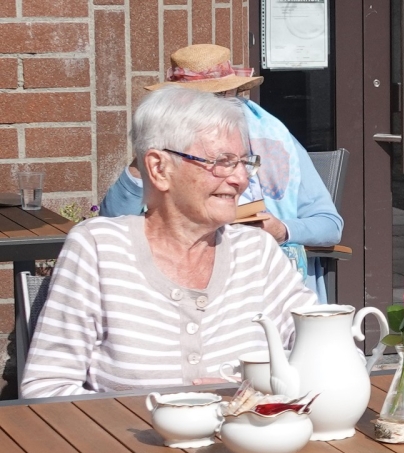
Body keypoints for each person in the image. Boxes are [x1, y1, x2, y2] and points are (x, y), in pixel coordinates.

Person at [21, 86, 337, 453]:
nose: (238, 179)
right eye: (219, 161)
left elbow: (313, 360)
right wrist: (163, 426)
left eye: (243, 161)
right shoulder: (98, 249)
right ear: (158, 168)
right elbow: (45, 394)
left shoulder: (259, 255)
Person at [99, 44, 343, 302]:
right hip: (179, 285)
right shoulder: (169, 149)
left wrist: (281, 229)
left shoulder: (276, 142)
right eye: (194, 103)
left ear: (234, 94)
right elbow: (112, 222)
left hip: (261, 287)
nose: (238, 177)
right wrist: (144, 159)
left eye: (215, 98)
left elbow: (330, 224)